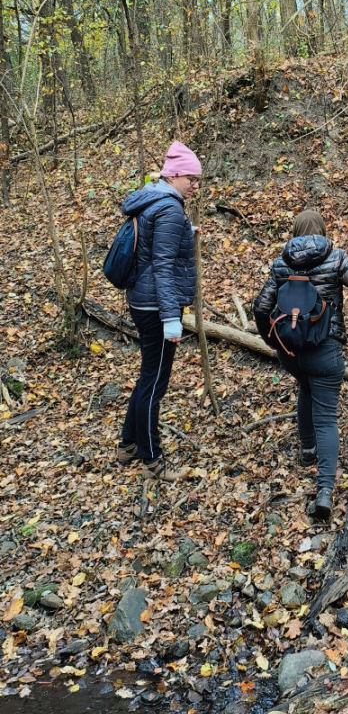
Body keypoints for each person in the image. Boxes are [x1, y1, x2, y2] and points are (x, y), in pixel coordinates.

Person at [253, 210, 348, 522]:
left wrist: (273, 341)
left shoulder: (281, 263)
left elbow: (261, 306)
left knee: (304, 388)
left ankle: (307, 451)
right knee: (326, 416)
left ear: (295, 231)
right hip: (325, 349)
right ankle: (324, 490)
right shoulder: (335, 257)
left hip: (291, 351)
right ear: (322, 230)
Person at [118, 141, 201, 481]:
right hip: (156, 305)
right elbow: (164, 265)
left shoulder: (154, 200)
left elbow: (156, 245)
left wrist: (185, 232)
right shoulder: (169, 209)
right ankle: (152, 460)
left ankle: (127, 445)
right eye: (191, 179)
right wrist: (171, 318)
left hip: (143, 297)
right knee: (155, 382)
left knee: (147, 375)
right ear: (176, 175)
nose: (195, 186)